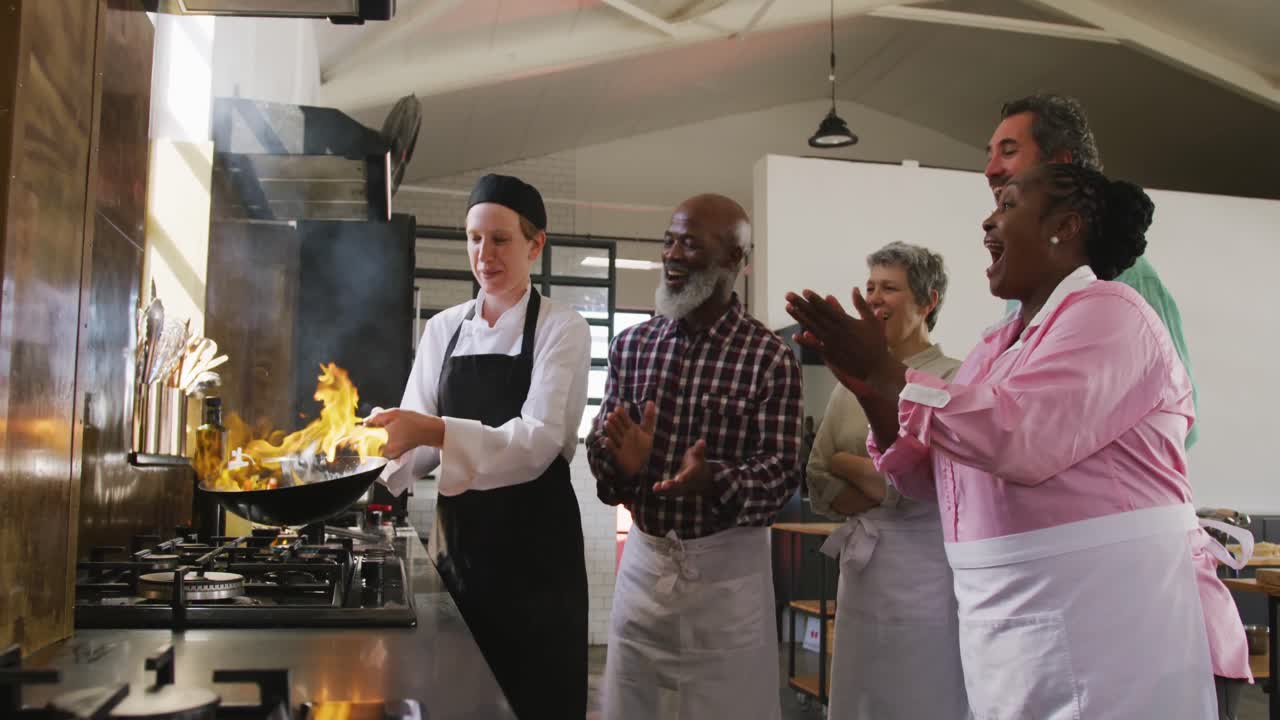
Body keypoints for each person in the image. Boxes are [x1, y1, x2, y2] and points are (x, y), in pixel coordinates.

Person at [786, 164, 1239, 718]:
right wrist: (873, 393)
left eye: (1006, 206)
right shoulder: (994, 347)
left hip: (1105, 622)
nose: (986, 221)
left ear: (1065, 227)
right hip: (1011, 627)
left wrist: (885, 373)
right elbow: (932, 477)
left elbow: (1022, 438)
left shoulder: (1113, 313)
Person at [984, 93, 1251, 716]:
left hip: (1130, 601)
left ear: (1065, 170)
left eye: (1008, 152)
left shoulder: (1119, 292)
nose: (992, 169)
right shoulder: (1028, 297)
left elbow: (1159, 430)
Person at [369, 174, 590, 719]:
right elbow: (412, 440)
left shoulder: (563, 328)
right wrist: (360, 460)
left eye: (500, 240)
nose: (483, 255)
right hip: (461, 554)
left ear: (536, 244)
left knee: (535, 701)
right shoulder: (445, 328)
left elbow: (537, 441)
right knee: (459, 699)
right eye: (473, 239)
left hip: (537, 562)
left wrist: (432, 431)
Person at [587, 194, 803, 720]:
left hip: (725, 577)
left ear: (735, 260)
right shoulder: (632, 345)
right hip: (645, 567)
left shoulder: (768, 357)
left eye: (691, 244)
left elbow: (781, 474)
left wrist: (713, 480)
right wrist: (622, 464)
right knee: (631, 705)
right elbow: (600, 445)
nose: (673, 255)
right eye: (669, 240)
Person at [805, 242, 969, 719]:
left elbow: (940, 480)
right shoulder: (846, 383)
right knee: (861, 695)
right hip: (863, 573)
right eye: (871, 286)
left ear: (928, 301)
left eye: (890, 288)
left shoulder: (953, 379)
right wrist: (883, 481)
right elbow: (817, 475)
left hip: (927, 573)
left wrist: (855, 466)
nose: (875, 298)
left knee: (922, 693)